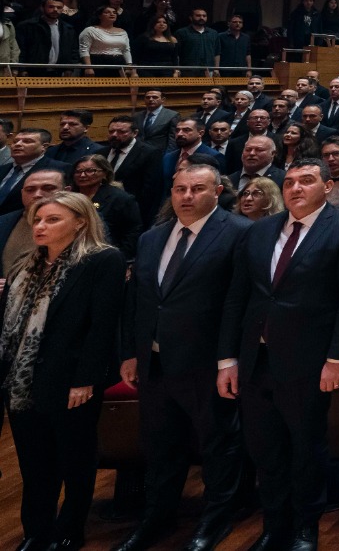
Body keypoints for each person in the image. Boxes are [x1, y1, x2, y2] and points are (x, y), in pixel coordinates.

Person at [218, 158, 339, 551]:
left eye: (306, 181)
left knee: (306, 448)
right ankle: (274, 527)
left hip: (309, 360)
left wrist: (337, 359)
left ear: (328, 186)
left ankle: (306, 528)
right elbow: (237, 296)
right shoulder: (260, 229)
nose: (296, 188)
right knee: (265, 449)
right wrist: (228, 359)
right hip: (256, 359)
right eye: (289, 182)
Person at [115, 164, 250, 551]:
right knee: (160, 446)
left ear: (218, 191)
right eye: (179, 189)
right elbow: (138, 301)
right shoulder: (152, 237)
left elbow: (239, 302)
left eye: (197, 189)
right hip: (155, 362)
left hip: (208, 363)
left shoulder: (240, 232)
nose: (187, 196)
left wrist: (229, 360)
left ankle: (215, 519)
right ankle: (157, 517)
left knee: (218, 444)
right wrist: (131, 353)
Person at [0, 192, 123, 549]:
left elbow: (102, 327)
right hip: (21, 379)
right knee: (34, 463)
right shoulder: (25, 264)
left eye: (52, 220)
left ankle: (69, 530)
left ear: (80, 222)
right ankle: (35, 533)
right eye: (37, 220)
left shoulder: (103, 259)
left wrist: (85, 379)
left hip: (71, 378)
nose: (40, 226)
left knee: (75, 460)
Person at [79, 4, 133, 74]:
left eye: (114, 12)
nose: (112, 14)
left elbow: (126, 50)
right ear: (99, 16)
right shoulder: (90, 30)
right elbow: (84, 50)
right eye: (107, 12)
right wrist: (88, 67)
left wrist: (129, 66)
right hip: (98, 62)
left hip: (118, 63)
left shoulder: (123, 32)